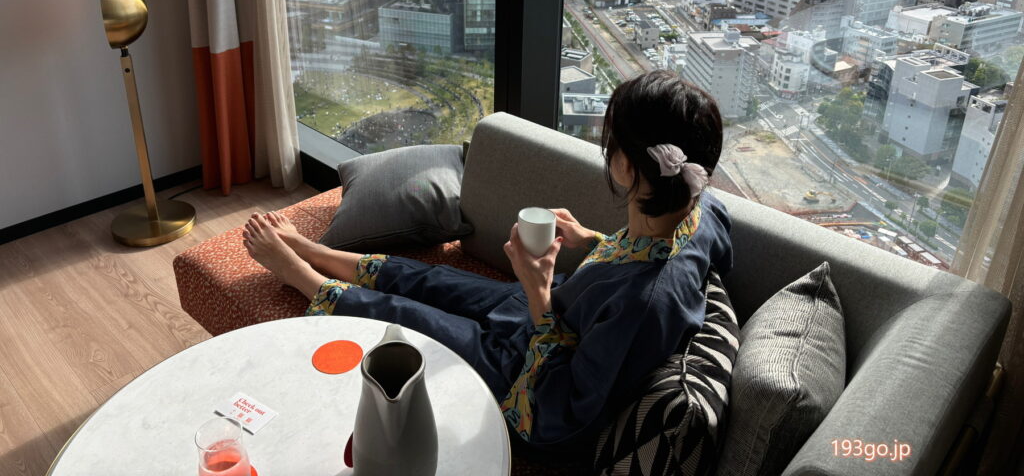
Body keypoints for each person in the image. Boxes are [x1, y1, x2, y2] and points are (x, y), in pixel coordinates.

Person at [243, 70, 732, 464]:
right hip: (556, 311)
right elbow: (668, 264)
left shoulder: (644, 304)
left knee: (408, 320)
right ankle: (314, 250)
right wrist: (592, 241)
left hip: (529, 382)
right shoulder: (703, 209)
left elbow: (566, 410)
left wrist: (539, 296)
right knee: (430, 278)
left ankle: (300, 275)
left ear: (626, 165)